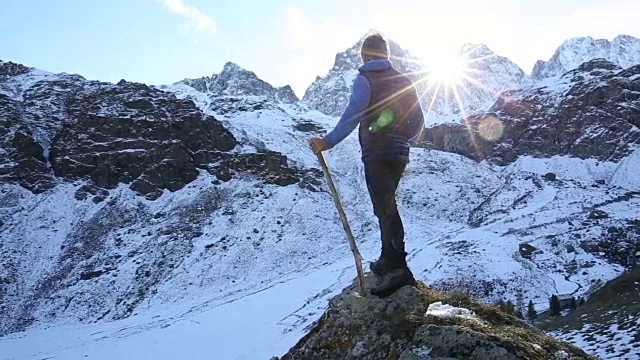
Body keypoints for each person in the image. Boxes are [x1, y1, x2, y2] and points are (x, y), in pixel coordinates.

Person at [309, 32, 425, 297]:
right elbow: (418, 118)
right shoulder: (403, 79)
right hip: (399, 154)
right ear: (386, 54)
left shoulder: (365, 79)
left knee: (385, 208)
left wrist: (328, 141)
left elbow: (355, 112)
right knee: (386, 204)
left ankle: (399, 269)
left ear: (363, 56)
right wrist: (401, 138)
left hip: (376, 152)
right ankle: (387, 258)